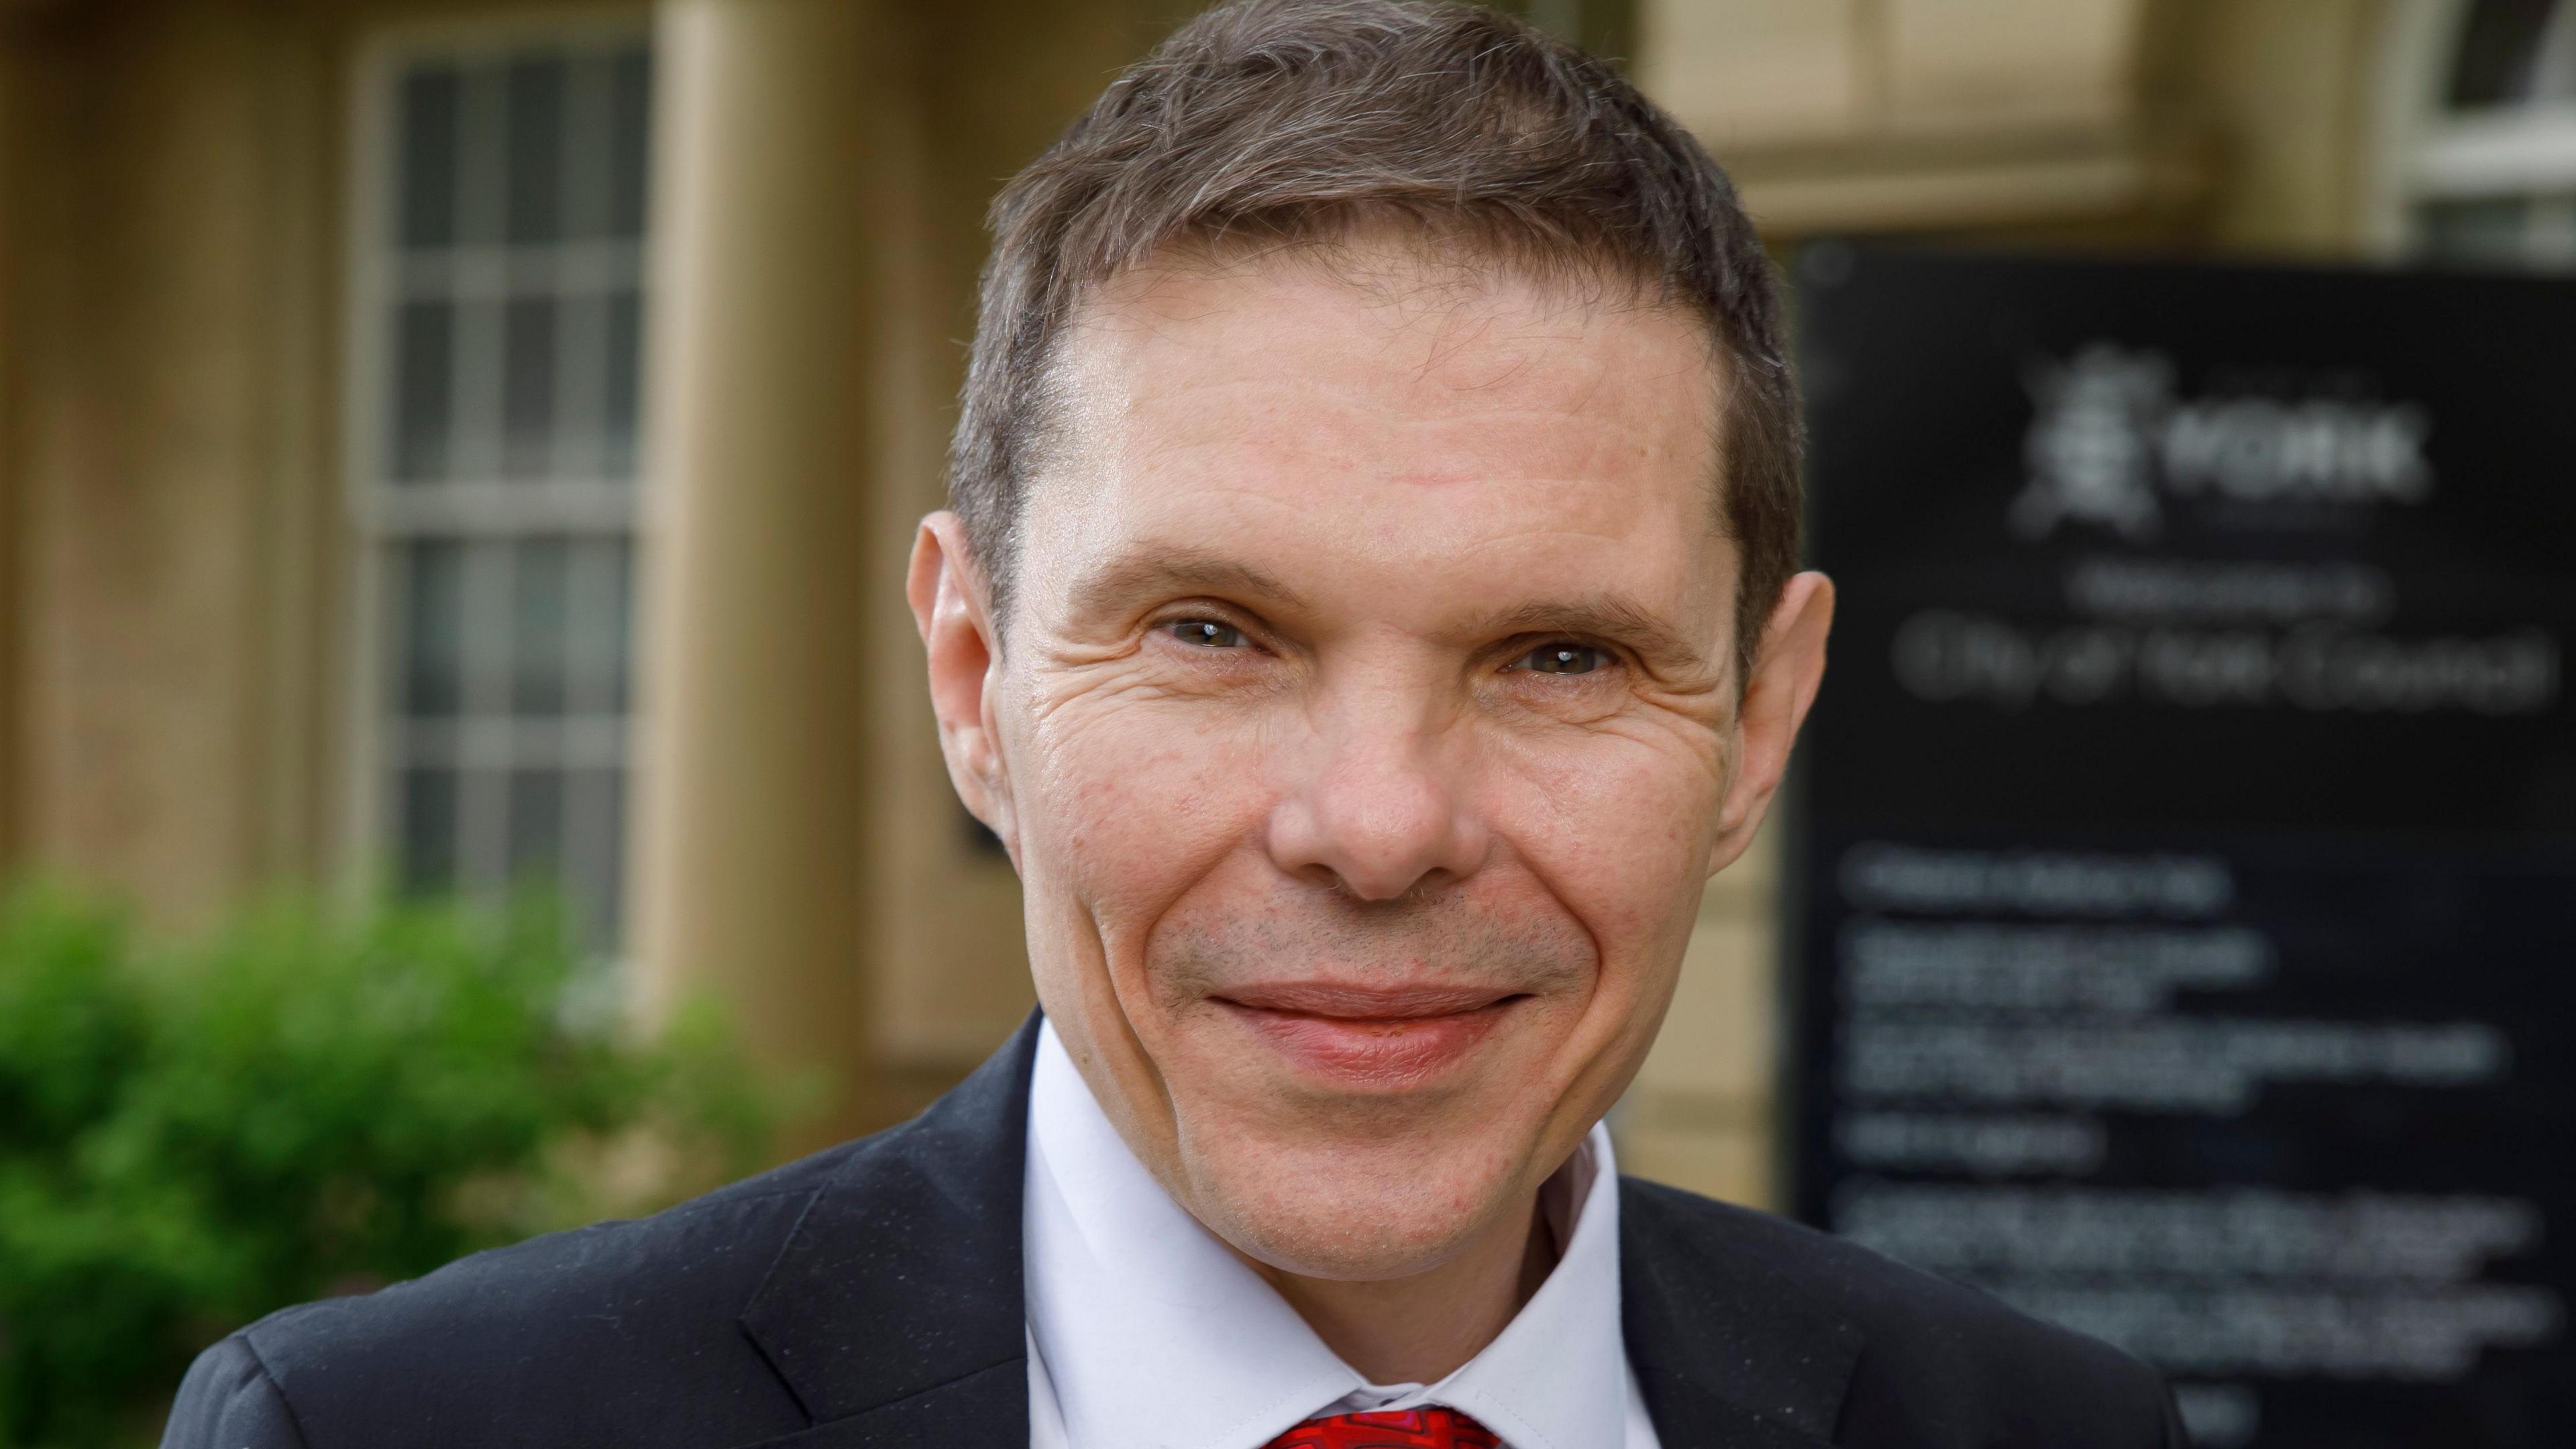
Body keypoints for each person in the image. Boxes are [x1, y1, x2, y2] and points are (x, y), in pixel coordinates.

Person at [164, 3, 2189, 1446]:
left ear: (1755, 723)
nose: (1380, 826)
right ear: (974, 680)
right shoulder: (402, 1431)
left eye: (1559, 656)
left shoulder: (2044, 1426)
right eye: (1216, 631)